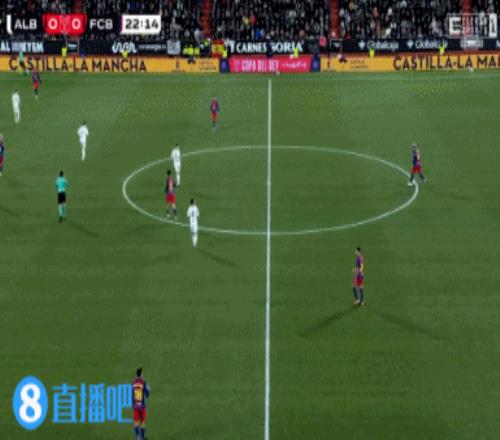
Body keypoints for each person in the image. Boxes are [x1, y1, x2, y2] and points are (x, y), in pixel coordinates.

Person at [132, 368, 150, 440]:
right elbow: (147, 394)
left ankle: (137, 437)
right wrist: (148, 389)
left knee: (136, 422)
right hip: (142, 406)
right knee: (142, 422)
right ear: (141, 374)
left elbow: (132, 393)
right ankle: (142, 437)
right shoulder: (143, 382)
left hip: (135, 406)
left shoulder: (133, 382)